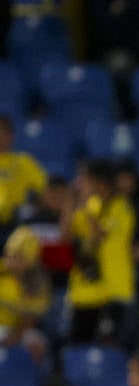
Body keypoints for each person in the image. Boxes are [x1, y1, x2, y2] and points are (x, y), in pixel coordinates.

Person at [66, 159, 136, 345]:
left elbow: (100, 235)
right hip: (88, 292)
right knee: (78, 348)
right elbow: (66, 235)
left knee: (110, 348)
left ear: (99, 182)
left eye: (84, 179)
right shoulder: (91, 205)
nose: (79, 183)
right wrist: (69, 205)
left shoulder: (122, 207)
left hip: (115, 290)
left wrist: (83, 205)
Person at [0, 226, 51, 362]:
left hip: (16, 330)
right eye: (9, 254)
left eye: (18, 256)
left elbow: (29, 318)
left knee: (37, 345)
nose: (11, 260)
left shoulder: (38, 283)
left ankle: (32, 381)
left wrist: (13, 337)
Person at [0, 115, 47, 230]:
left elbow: (45, 190)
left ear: (11, 135)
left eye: (3, 133)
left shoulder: (24, 162)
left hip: (15, 224)